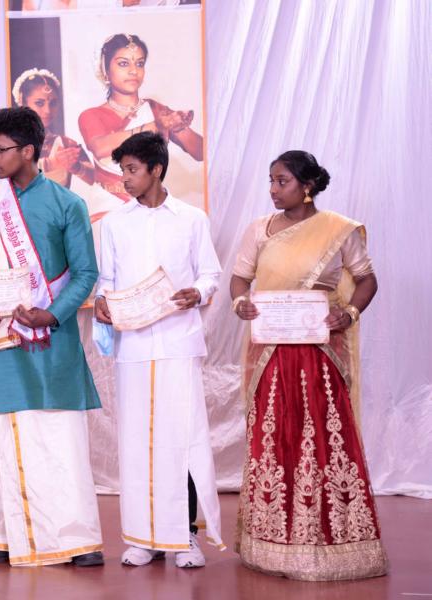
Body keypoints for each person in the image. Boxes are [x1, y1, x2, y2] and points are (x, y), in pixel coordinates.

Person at [230, 150, 387, 581]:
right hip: (271, 354)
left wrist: (349, 313)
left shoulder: (338, 229)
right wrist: (241, 302)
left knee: (321, 439)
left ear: (308, 186)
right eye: (271, 180)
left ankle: (333, 541)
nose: (273, 189)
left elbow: (367, 279)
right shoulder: (259, 230)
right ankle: (270, 545)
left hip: (319, 353)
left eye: (282, 181)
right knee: (274, 437)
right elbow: (240, 278)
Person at [0, 107, 104, 567]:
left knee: (57, 435)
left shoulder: (67, 204)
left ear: (28, 151)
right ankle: (3, 534)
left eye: (0, 149)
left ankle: (77, 538)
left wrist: (52, 313)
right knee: (2, 438)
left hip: (50, 339)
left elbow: (85, 273)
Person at [94, 131, 224, 568]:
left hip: (178, 344)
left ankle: (185, 537)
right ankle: (143, 537)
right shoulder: (115, 224)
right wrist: (101, 301)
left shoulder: (191, 219)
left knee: (181, 439)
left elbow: (210, 274)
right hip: (133, 347)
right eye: (122, 170)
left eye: (132, 170)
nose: (125, 179)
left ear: (157, 169)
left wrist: (197, 293)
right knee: (137, 442)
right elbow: (106, 281)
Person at [78, 33, 203, 201]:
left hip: (149, 203)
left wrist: (179, 126)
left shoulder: (155, 110)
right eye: (123, 63)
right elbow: (100, 148)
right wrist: (155, 127)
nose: (133, 71)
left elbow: (201, 152)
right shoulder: (91, 115)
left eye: (139, 63)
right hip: (108, 205)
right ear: (105, 71)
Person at [12, 68, 95, 190]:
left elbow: (94, 178)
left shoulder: (65, 144)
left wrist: (76, 167)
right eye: (39, 103)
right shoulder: (11, 143)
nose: (48, 110)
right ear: (23, 104)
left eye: (53, 103)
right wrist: (51, 163)